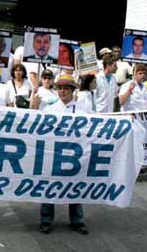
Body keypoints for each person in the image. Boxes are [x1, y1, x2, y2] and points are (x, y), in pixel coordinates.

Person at [35, 75, 90, 235]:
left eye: (66, 88)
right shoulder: (49, 109)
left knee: (75, 187)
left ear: (72, 90)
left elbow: (99, 124)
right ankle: (46, 220)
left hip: (75, 156)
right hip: (54, 155)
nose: (62, 91)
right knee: (49, 187)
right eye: (60, 88)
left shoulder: (82, 110)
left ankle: (77, 221)